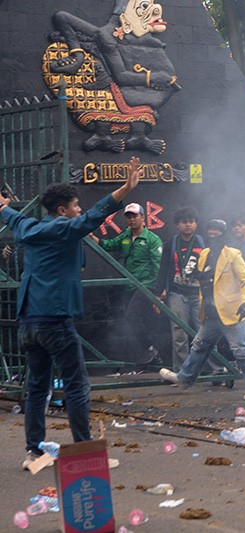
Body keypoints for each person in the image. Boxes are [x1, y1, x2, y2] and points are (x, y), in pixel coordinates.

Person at [2, 156, 142, 470]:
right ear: (63, 210)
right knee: (76, 385)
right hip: (55, 319)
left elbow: (12, 218)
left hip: (28, 320)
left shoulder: (29, 226)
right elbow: (94, 216)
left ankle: (34, 452)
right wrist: (125, 188)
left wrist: (3, 206)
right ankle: (85, 451)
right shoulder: (65, 229)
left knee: (38, 386)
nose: (79, 209)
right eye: (75, 205)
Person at [159, 220, 245, 400]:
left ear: (224, 234)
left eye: (217, 232)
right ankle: (184, 378)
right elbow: (205, 280)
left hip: (232, 311)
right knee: (199, 345)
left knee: (242, 349)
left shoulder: (233, 254)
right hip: (211, 312)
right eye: (210, 232)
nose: (213, 235)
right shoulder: (204, 255)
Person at [90, 202, 163, 364]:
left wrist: (158, 293)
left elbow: (158, 266)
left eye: (135, 216)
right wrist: (92, 237)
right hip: (130, 286)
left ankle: (151, 350)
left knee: (131, 316)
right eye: (128, 217)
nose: (131, 220)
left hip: (146, 286)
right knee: (137, 319)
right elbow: (108, 245)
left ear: (143, 217)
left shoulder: (152, 239)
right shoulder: (125, 235)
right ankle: (153, 358)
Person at [155, 207, 222, 373]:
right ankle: (181, 373)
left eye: (191, 222)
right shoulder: (171, 244)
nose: (187, 225)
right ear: (177, 225)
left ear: (196, 224)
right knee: (179, 334)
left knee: (206, 332)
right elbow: (163, 269)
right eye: (184, 222)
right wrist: (157, 295)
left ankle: (217, 370)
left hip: (200, 295)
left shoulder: (204, 242)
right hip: (177, 294)